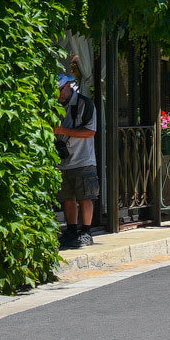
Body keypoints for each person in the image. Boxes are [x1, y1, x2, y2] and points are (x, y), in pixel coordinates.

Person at [54, 74, 98, 249]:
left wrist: (62, 130)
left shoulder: (85, 103)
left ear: (67, 87)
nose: (58, 95)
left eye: (59, 91)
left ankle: (86, 232)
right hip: (62, 160)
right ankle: (71, 230)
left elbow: (90, 132)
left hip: (83, 158)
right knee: (67, 198)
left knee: (85, 197)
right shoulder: (54, 105)